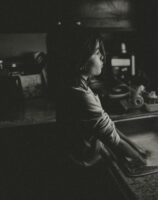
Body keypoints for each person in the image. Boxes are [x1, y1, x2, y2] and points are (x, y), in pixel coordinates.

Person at [54, 28, 147, 167]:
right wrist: (144, 163)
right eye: (97, 52)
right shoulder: (81, 96)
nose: (103, 56)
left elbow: (109, 128)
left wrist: (138, 149)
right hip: (84, 166)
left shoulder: (78, 85)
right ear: (81, 59)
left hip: (85, 156)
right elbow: (115, 141)